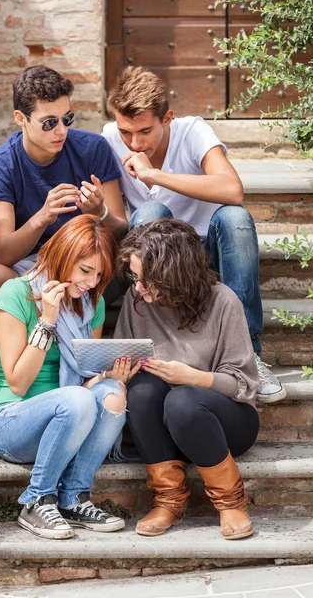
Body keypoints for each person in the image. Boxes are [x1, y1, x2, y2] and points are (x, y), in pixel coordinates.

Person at [0, 65, 128, 459]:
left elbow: (122, 229)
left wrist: (100, 212)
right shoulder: (1, 164)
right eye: (49, 122)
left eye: (67, 118)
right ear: (21, 119)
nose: (60, 131)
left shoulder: (92, 149)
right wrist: (42, 216)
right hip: (30, 266)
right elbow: (3, 251)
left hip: (88, 265)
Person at [103, 65, 286, 405]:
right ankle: (156, 336)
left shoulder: (192, 132)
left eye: (144, 131)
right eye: (126, 132)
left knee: (235, 218)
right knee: (148, 215)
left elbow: (233, 189)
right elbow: (118, 223)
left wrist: (155, 175)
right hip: (157, 259)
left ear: (167, 117)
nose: (134, 142)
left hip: (205, 252)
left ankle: (250, 353)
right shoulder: (109, 140)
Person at [0, 215, 140, 539]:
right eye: (84, 270)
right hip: (12, 420)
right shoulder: (15, 293)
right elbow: (18, 383)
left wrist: (108, 376)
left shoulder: (90, 304)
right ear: (62, 256)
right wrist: (47, 321)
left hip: (69, 414)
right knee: (77, 399)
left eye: (99, 274)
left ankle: (73, 497)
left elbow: (83, 384)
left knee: (113, 392)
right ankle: (37, 499)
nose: (89, 282)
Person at [114, 219, 259, 540]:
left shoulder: (223, 302)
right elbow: (123, 358)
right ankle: (169, 500)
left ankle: (231, 502)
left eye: (144, 279)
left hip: (226, 423)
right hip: (163, 429)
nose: (137, 286)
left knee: (182, 399)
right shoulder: (136, 302)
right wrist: (118, 373)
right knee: (142, 390)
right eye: (133, 277)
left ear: (172, 273)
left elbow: (244, 385)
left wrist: (194, 377)